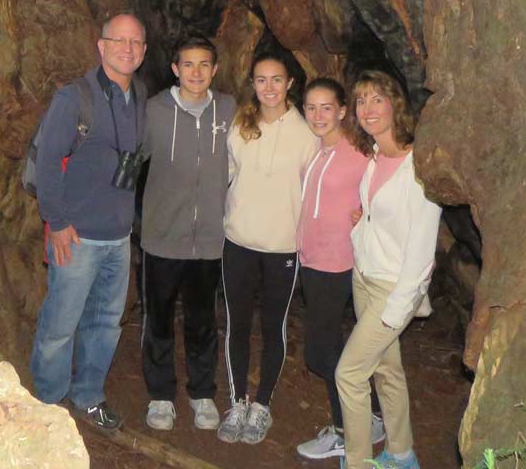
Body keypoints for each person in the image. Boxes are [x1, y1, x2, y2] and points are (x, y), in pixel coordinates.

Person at [30, 13, 148, 431]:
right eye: (119, 41)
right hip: (75, 236)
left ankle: (89, 394)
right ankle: (47, 404)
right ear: (101, 46)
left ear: (144, 51)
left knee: (104, 325)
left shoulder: (140, 98)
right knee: (60, 325)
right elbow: (46, 162)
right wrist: (57, 222)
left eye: (136, 43)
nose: (127, 49)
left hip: (118, 238)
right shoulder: (73, 98)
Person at [335, 71, 441, 469]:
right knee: (387, 370)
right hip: (364, 278)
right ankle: (401, 453)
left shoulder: (419, 168)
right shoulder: (376, 157)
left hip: (392, 289)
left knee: (349, 373)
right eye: (361, 101)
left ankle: (358, 461)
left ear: (395, 104)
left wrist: (400, 308)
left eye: (377, 99)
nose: (368, 109)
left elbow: (422, 252)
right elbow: (379, 216)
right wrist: (362, 228)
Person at [218, 52, 319, 445]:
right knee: (237, 324)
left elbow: (319, 187)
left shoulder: (307, 132)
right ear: (253, 84)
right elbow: (224, 176)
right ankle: (237, 401)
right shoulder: (240, 126)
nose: (269, 88)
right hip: (239, 240)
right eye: (261, 80)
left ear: (290, 83)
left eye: (277, 79)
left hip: (283, 247)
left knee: (273, 326)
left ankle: (261, 405)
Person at [139, 34, 235, 432]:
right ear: (175, 69)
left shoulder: (229, 110)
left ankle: (201, 394)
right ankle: (161, 396)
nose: (196, 72)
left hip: (210, 240)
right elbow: (127, 158)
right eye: (188, 65)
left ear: (214, 70)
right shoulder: (153, 111)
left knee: (203, 322)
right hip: (162, 236)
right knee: (158, 319)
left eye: (204, 65)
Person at [294, 78, 384, 461]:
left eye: (326, 107)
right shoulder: (316, 148)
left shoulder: (360, 152)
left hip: (338, 262)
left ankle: (346, 430)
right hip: (311, 258)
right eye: (311, 107)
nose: (317, 115)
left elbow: (388, 190)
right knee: (332, 345)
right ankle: (372, 415)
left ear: (343, 110)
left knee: (322, 350)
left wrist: (371, 215)